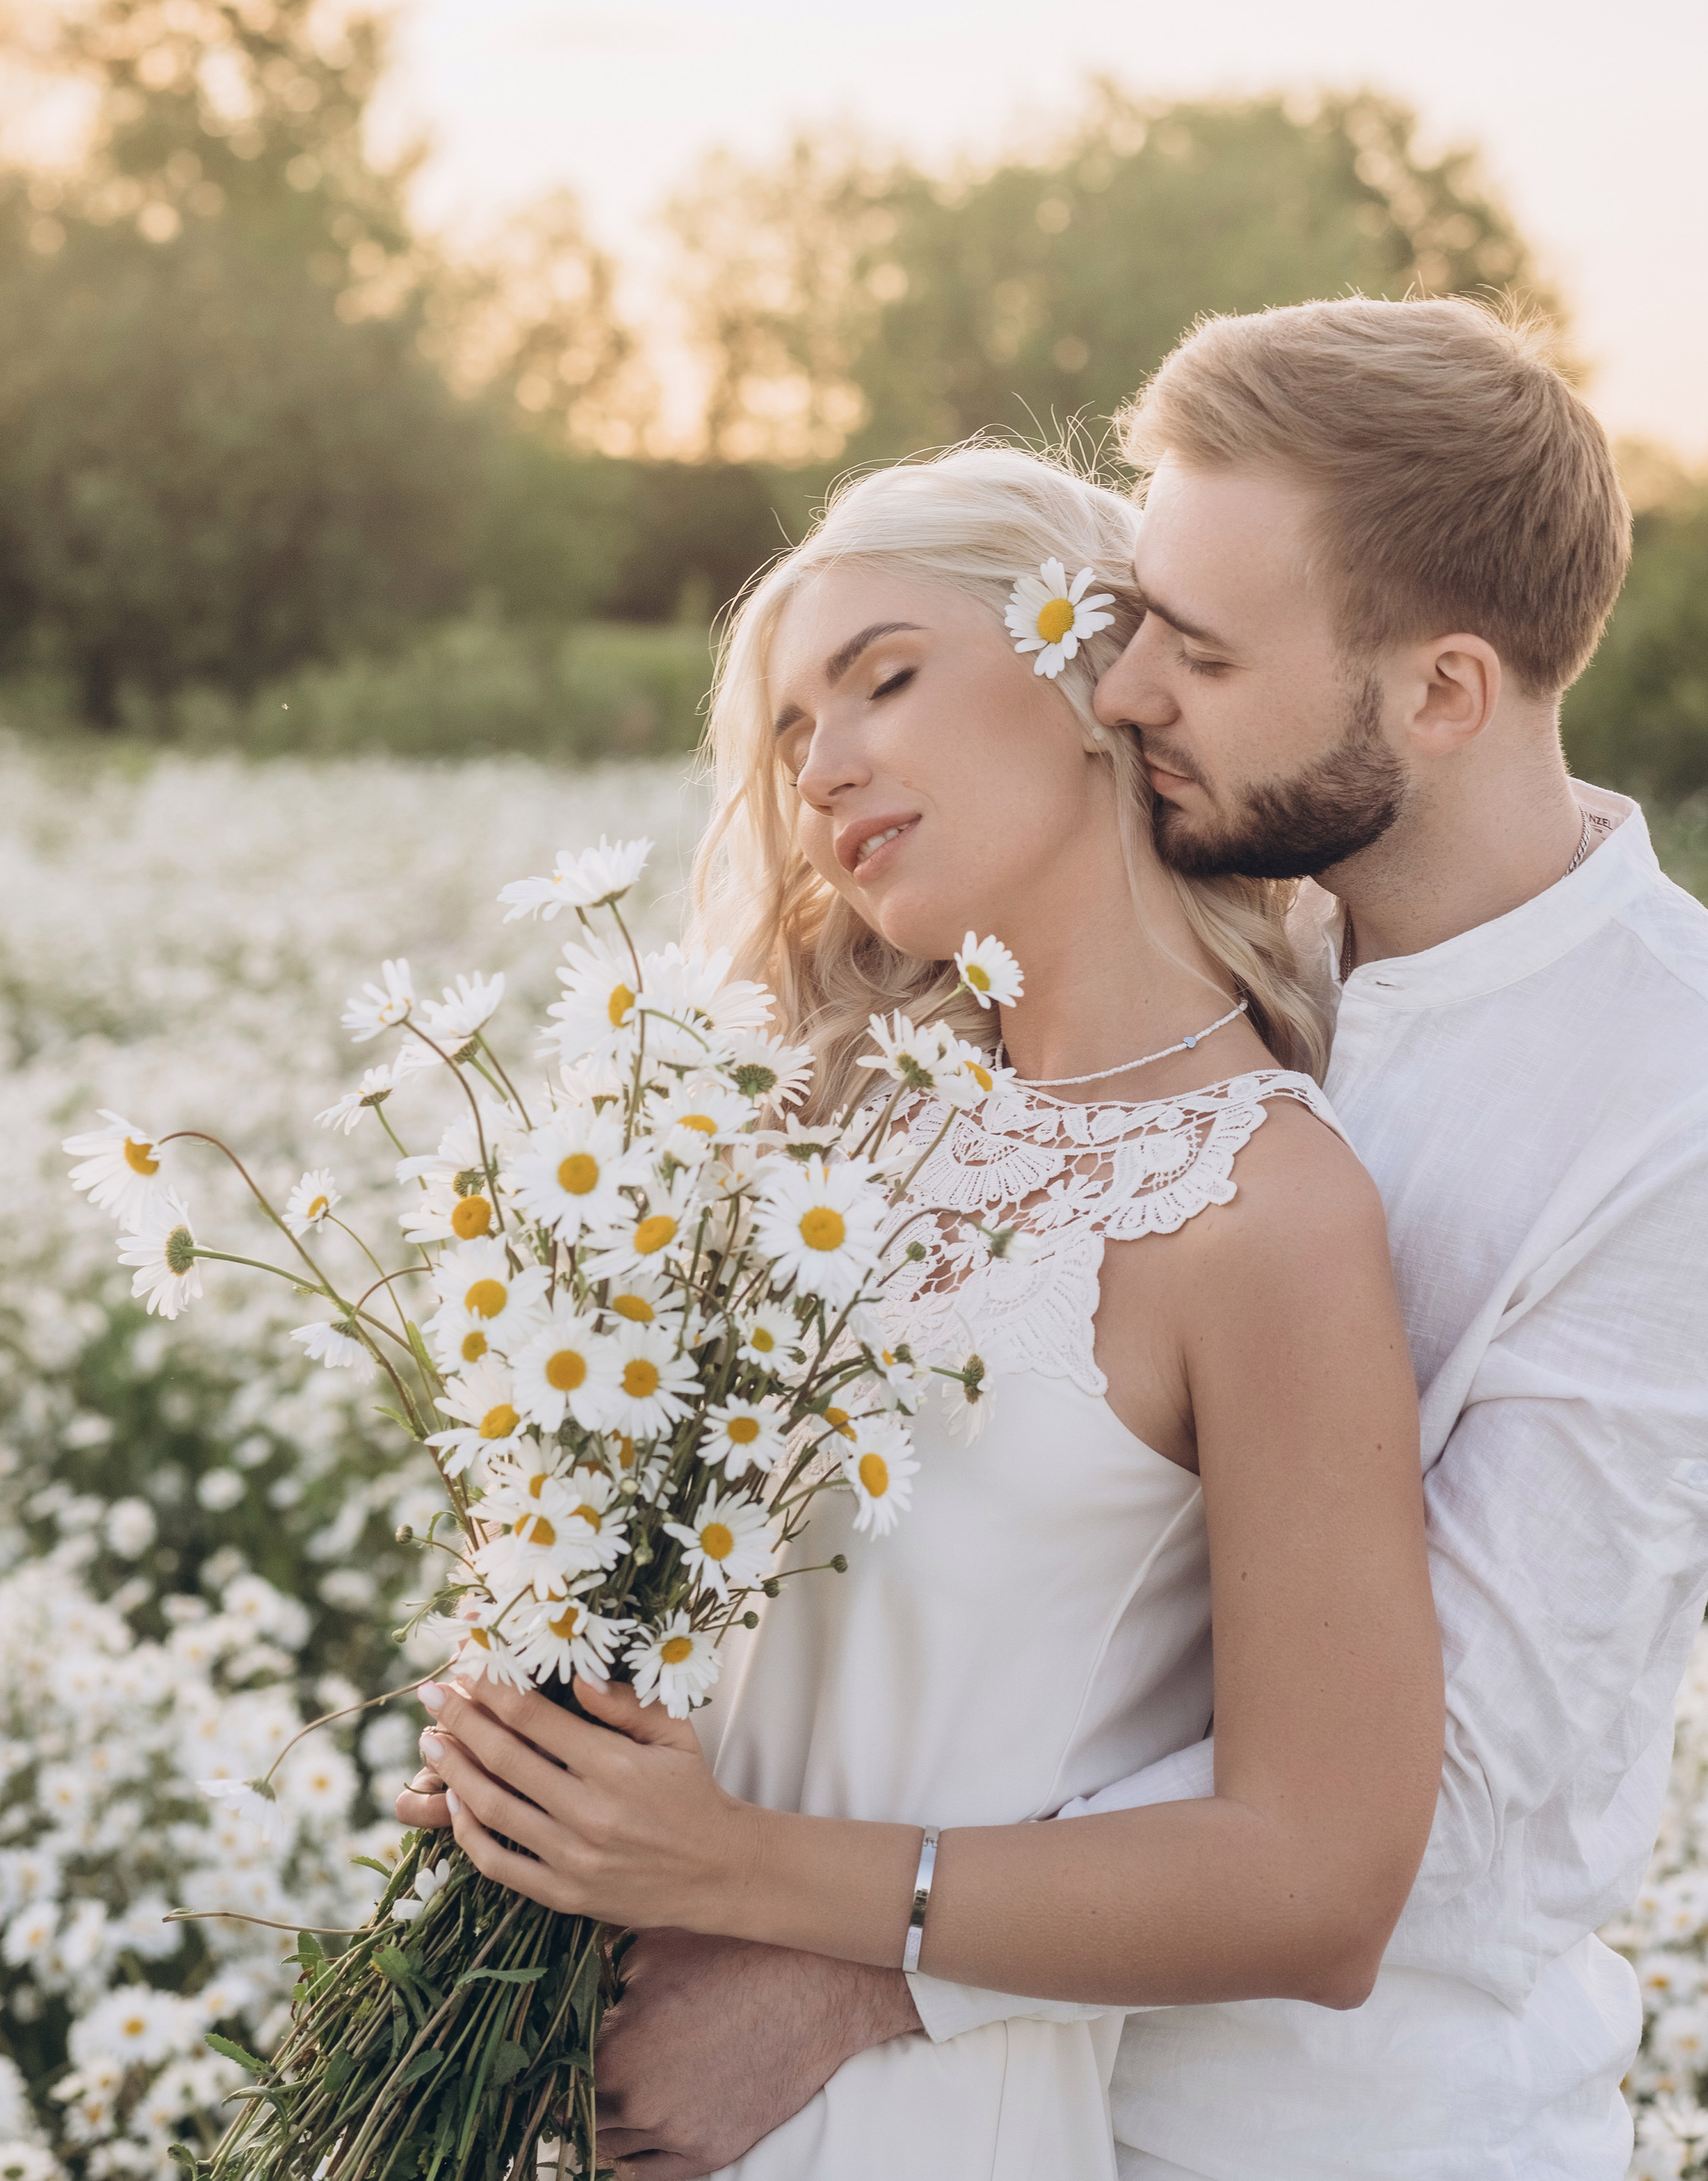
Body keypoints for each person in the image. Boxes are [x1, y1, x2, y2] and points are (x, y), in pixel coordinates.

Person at [503, 294, 1708, 2181]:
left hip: (1327, 2133)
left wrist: (832, 1965)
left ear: (1445, 695)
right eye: (1129, 621)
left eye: (1196, 653)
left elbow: (1441, 1792)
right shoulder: (1163, 958)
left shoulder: (1673, 1107)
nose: (1126, 687)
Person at [395, 444, 1445, 2178]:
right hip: (595, 2087)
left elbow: (1317, 1884)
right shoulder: (833, 1147)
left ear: (1091, 673)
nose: (826, 769)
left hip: (911, 2131)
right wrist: (537, 1749)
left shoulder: (1261, 1209)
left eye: (882, 679)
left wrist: (719, 1872)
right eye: (793, 733)